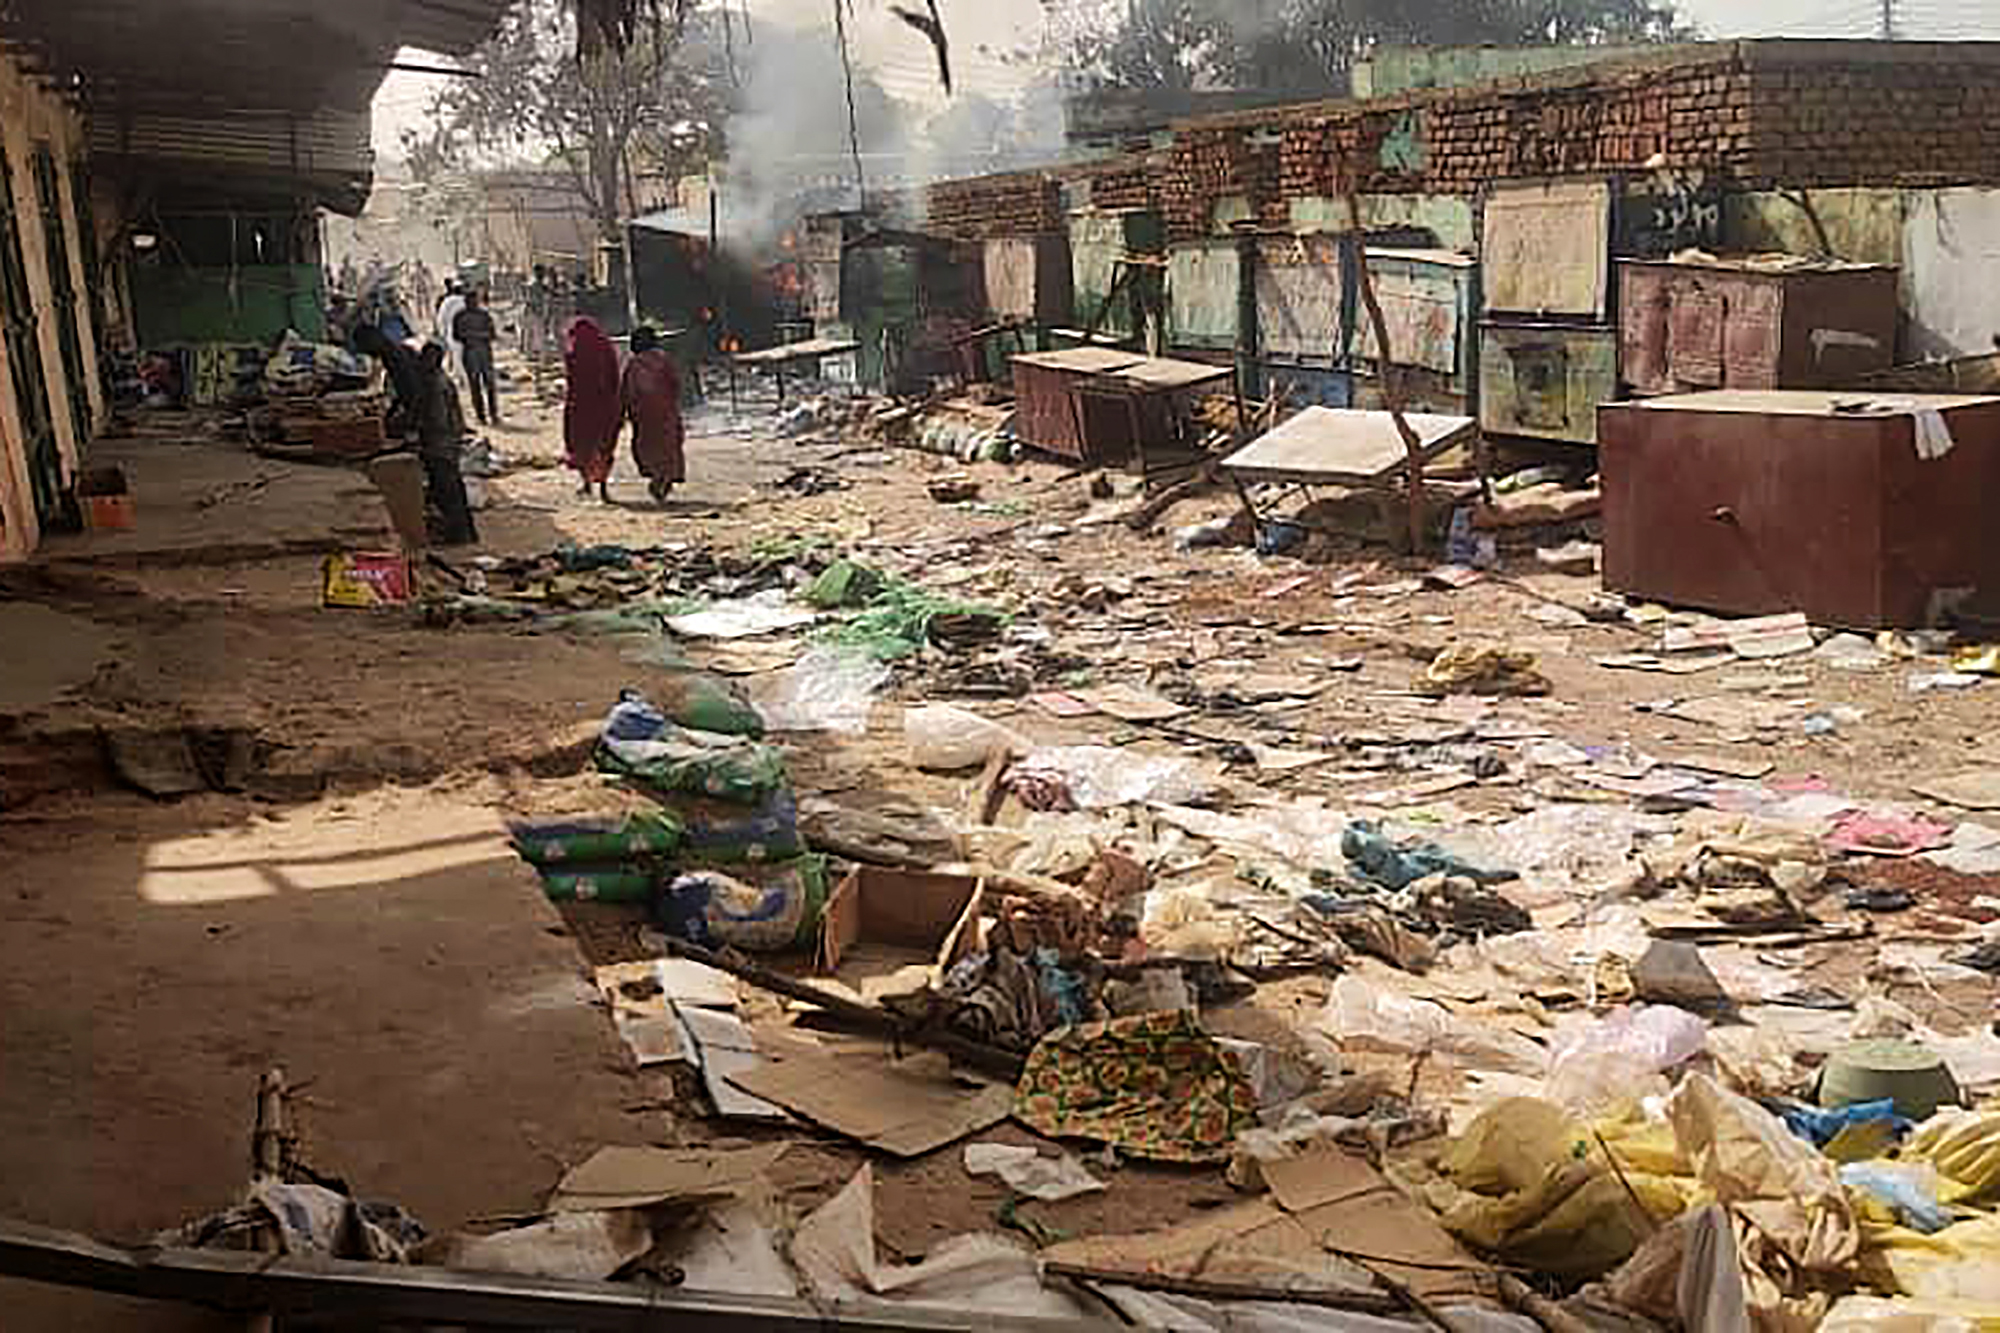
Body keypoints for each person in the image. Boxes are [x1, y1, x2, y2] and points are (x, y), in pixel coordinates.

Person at [413, 343, 478, 545]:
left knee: (447, 490)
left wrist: (419, 430)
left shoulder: (435, 383)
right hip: (448, 441)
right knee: (453, 489)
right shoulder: (440, 379)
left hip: (441, 443)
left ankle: (458, 534)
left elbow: (438, 419)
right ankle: (465, 532)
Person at [621, 327, 685, 504]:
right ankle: (664, 479)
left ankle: (659, 478)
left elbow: (627, 390)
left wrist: (624, 411)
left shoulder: (634, 364)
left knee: (648, 447)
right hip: (665, 412)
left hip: (643, 415)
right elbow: (675, 384)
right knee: (668, 447)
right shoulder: (664, 359)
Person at [563, 316, 623, 501]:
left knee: (582, 445)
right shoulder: (606, 347)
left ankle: (587, 484)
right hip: (605, 405)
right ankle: (603, 488)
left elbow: (571, 379)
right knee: (604, 446)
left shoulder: (573, 351)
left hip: (580, 407)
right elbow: (614, 376)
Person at [452, 288, 500, 425]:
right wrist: (475, 335)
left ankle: (493, 413)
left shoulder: (484, 316)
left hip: (483, 353)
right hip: (471, 353)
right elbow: (457, 336)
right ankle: (481, 415)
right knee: (475, 386)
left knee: (489, 384)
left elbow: (492, 335)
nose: (472, 303)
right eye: (469, 301)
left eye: (474, 300)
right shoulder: (460, 316)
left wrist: (474, 335)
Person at [434, 280, 466, 384]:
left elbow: (441, 319)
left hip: (453, 334)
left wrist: (442, 334)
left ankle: (462, 379)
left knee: (458, 357)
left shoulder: (447, 302)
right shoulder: (466, 300)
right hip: (467, 335)